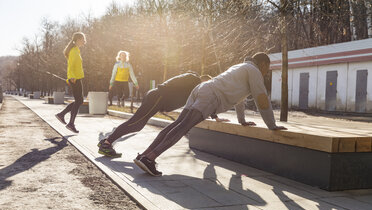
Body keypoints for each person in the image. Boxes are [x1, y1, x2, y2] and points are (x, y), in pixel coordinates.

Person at [134, 52, 287, 176]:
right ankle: (150, 158)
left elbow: (239, 100)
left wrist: (242, 120)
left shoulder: (242, 67)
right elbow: (262, 99)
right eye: (268, 67)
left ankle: (144, 156)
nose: (267, 71)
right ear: (263, 64)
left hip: (203, 88)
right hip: (211, 96)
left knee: (177, 124)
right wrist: (271, 125)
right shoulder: (254, 71)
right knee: (183, 127)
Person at [98, 72, 227, 158]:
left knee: (137, 125)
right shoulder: (193, 78)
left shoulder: (197, 88)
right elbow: (172, 83)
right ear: (204, 79)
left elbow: (203, 103)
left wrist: (215, 117)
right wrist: (163, 95)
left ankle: (107, 142)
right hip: (158, 97)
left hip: (158, 98)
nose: (207, 87)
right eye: (207, 83)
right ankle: (107, 143)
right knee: (135, 123)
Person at [55, 32, 86, 133]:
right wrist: (71, 76)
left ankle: (62, 115)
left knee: (79, 100)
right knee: (79, 100)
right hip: (75, 78)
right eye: (83, 39)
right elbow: (70, 65)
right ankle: (70, 123)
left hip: (77, 77)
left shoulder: (77, 50)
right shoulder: (73, 51)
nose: (84, 41)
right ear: (77, 39)